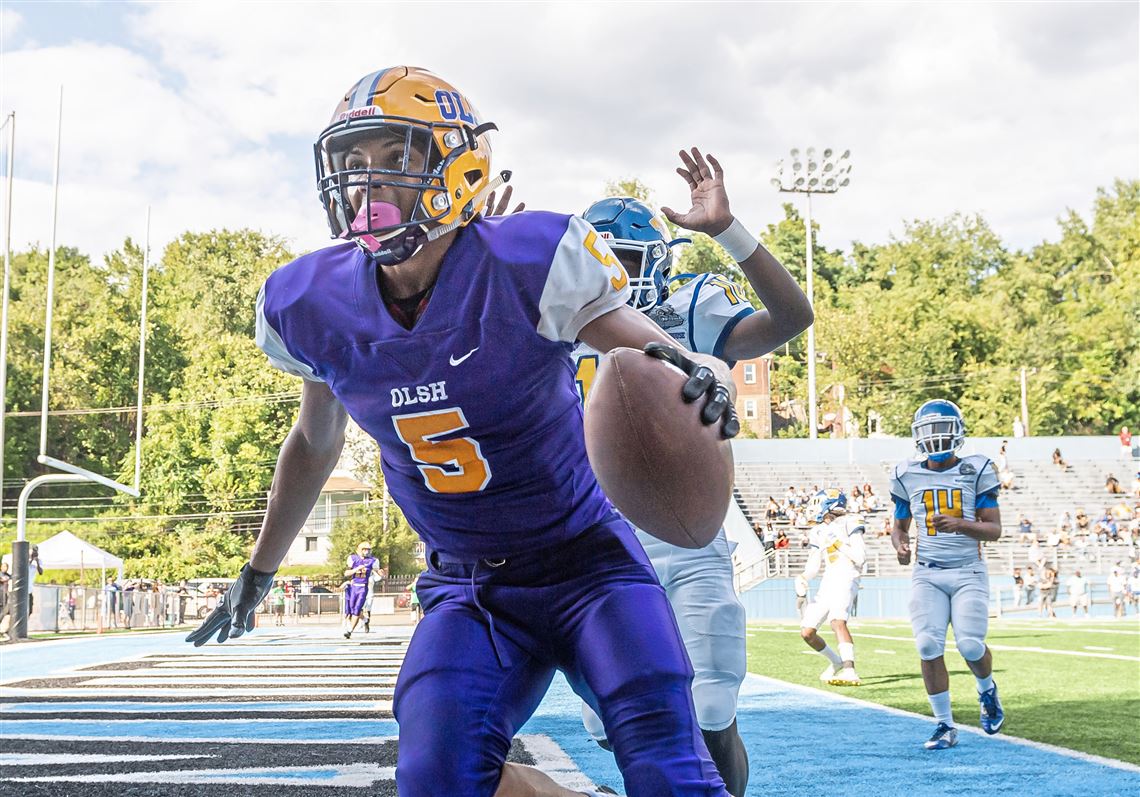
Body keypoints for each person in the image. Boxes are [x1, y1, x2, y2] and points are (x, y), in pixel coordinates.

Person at [185, 66, 803, 797]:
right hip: (468, 586)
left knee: (670, 768)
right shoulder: (311, 302)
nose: (365, 181)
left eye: (393, 156)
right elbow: (315, 442)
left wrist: (694, 370)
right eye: (352, 161)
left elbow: (644, 349)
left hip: (588, 565)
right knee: (436, 780)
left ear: (460, 166)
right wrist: (259, 569)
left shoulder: (527, 259)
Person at [564, 170, 807, 796]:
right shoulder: (553, 319)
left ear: (657, 262)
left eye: (626, 261)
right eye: (603, 261)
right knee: (611, 720)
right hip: (597, 539)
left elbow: (792, 317)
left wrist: (728, 231)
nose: (615, 277)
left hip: (689, 532)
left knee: (712, 704)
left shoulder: (689, 308)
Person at [890, 399, 1004, 751]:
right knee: (927, 645)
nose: (937, 437)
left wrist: (960, 525)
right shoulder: (906, 473)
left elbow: (994, 530)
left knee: (970, 645)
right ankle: (944, 724)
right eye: (931, 430)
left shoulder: (976, 468)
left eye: (943, 429)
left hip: (968, 570)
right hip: (927, 572)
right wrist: (900, 545)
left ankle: (987, 689)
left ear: (957, 432)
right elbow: (899, 526)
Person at [798, 492, 866, 686]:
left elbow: (860, 557)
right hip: (828, 579)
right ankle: (836, 662)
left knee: (837, 621)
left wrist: (837, 542)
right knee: (807, 632)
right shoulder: (818, 531)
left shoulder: (850, 521)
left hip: (847, 574)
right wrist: (803, 577)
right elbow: (814, 565)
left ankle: (850, 670)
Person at [342, 542, 378, 639]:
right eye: (364, 549)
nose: (367, 551)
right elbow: (346, 573)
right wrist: (356, 569)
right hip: (353, 587)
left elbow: (378, 572)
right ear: (359, 550)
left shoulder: (372, 560)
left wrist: (380, 573)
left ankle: (349, 631)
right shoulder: (353, 558)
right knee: (351, 608)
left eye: (368, 549)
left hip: (363, 587)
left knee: (357, 609)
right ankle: (365, 619)